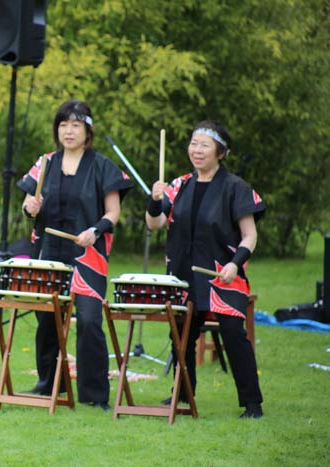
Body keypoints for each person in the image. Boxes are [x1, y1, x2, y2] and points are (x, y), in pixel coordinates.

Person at [17, 99, 133, 411]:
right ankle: (47, 382)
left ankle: (95, 393)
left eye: (76, 125)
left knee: (91, 320)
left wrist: (95, 230)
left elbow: (113, 212)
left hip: (88, 254)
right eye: (64, 124)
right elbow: (29, 203)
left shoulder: (102, 166)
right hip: (48, 251)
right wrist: (31, 208)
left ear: (88, 131)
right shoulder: (46, 163)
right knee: (46, 319)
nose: (69, 131)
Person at [145, 120, 265, 419]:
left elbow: (250, 236)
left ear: (220, 153)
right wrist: (154, 200)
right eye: (193, 144)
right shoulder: (179, 185)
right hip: (183, 274)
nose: (196, 150)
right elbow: (155, 223)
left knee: (232, 333)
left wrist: (234, 264)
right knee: (181, 334)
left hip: (223, 276)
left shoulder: (235, 187)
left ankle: (252, 404)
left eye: (204, 145)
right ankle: (183, 395)